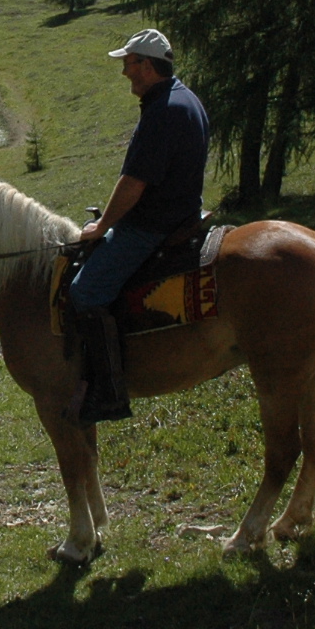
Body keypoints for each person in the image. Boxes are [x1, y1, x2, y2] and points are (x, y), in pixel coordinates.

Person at [66, 28, 210, 422]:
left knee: (85, 291)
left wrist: (102, 227)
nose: (125, 72)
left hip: (153, 225)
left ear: (146, 65)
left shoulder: (163, 112)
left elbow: (133, 184)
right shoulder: (184, 98)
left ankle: (108, 392)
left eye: (129, 64)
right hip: (183, 214)